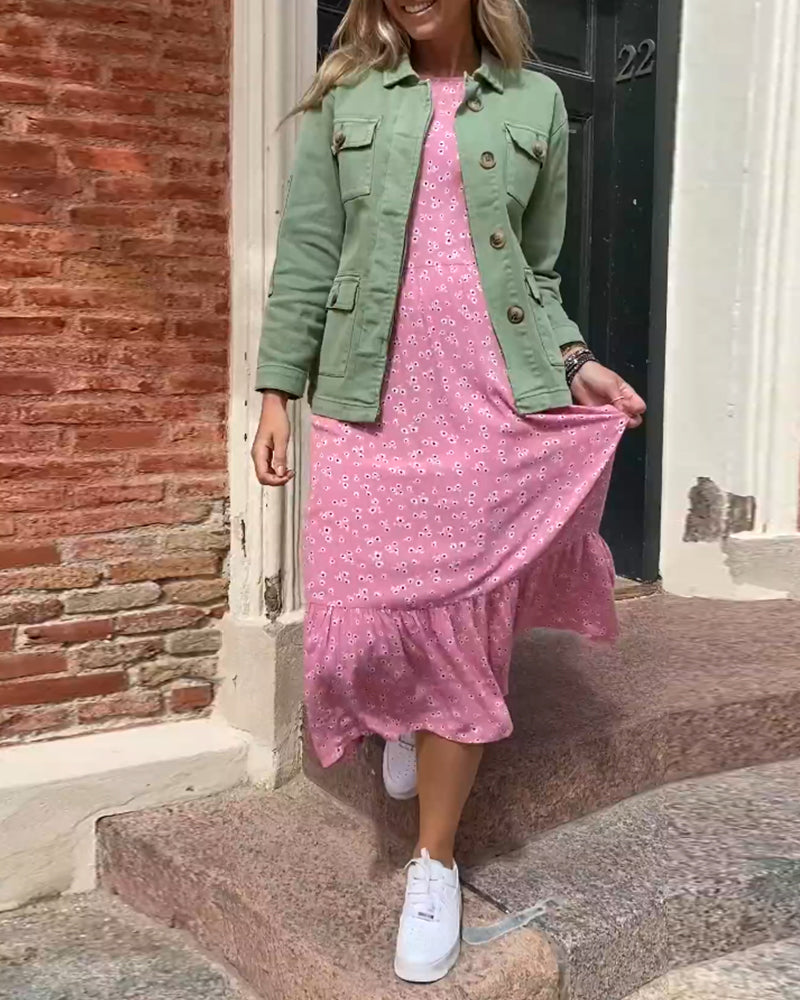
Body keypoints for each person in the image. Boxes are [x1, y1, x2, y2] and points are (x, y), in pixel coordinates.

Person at [251, 0, 646, 984]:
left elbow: (539, 273)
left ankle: (433, 860)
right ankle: (400, 705)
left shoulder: (535, 103)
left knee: (465, 627)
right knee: (356, 624)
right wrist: (275, 391)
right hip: (368, 394)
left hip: (486, 393)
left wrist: (577, 362)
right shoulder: (348, 99)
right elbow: (308, 252)